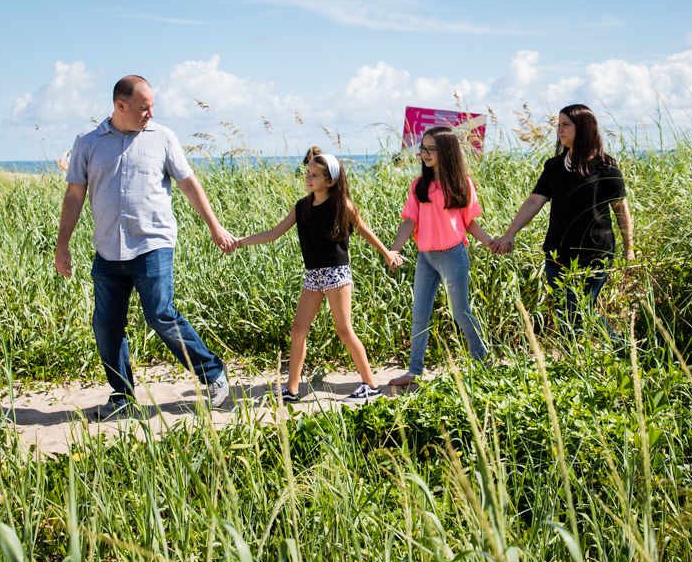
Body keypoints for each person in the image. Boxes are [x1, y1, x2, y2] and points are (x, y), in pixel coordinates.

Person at [56, 75, 237, 420]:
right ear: (120, 106)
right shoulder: (88, 142)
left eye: (152, 107)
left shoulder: (163, 138)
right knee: (106, 325)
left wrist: (215, 227)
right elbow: (74, 195)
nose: (150, 114)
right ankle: (122, 396)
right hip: (108, 249)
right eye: (144, 108)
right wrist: (62, 245)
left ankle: (213, 375)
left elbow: (188, 184)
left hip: (153, 244)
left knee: (160, 314)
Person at [230, 147, 401, 402]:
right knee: (298, 330)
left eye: (315, 176)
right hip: (313, 275)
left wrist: (387, 252)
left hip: (336, 274)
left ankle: (370, 385)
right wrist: (239, 242)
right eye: (307, 173)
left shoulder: (342, 205)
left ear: (331, 181)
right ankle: (292, 389)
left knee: (344, 330)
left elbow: (364, 230)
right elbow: (273, 233)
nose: (308, 178)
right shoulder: (302, 207)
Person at [490, 103, 632, 336]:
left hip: (595, 253)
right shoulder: (554, 166)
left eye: (566, 125)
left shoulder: (606, 167)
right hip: (557, 253)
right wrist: (510, 234)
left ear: (584, 128)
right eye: (559, 125)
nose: (560, 130)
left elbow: (621, 210)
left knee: (581, 311)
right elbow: (534, 201)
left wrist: (629, 249)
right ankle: (576, 361)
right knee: (565, 314)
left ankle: (619, 350)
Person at [390, 124, 495, 390]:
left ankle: (483, 362)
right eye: (422, 148)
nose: (425, 153)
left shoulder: (461, 183)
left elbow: (469, 222)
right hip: (426, 257)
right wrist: (395, 249)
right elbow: (409, 221)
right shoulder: (419, 185)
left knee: (460, 311)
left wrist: (490, 242)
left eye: (431, 149)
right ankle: (414, 371)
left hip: (453, 254)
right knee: (419, 314)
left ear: (446, 151)